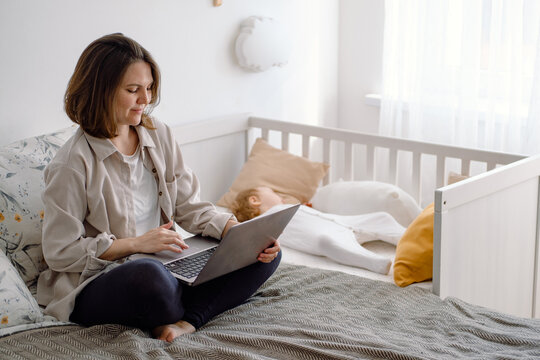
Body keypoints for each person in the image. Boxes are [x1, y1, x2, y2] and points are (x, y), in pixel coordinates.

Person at [36, 33, 281, 342]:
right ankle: (188, 303)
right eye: (133, 90)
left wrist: (234, 231)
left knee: (264, 252)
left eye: (149, 88)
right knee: (150, 279)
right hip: (102, 279)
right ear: (101, 90)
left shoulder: (158, 134)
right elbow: (60, 251)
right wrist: (137, 244)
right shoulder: (72, 162)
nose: (146, 100)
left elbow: (188, 207)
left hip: (165, 264)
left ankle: (185, 321)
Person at [231, 187, 406, 275]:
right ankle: (378, 262)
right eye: (273, 192)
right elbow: (249, 234)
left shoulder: (290, 206)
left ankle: (406, 237)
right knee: (328, 243)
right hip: (323, 235)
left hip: (341, 222)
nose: (280, 196)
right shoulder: (264, 221)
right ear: (255, 200)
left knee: (380, 217)